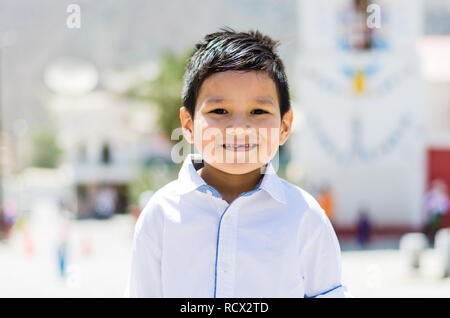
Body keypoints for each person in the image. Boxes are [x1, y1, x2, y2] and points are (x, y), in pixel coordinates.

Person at [125, 28, 351, 298]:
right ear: (188, 124)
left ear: (284, 125)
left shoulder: (305, 217)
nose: (239, 127)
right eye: (219, 111)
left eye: (258, 111)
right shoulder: (160, 215)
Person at [423, 179, 450, 246]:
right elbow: (426, 201)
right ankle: (428, 238)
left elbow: (446, 205)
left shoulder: (443, 196)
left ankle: (435, 239)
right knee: (430, 226)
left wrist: (440, 210)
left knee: (437, 227)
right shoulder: (432, 194)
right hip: (432, 213)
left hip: (439, 214)